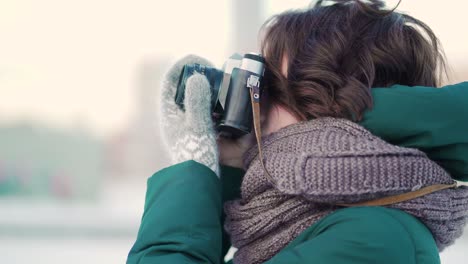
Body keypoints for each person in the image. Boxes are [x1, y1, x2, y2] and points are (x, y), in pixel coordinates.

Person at [127, 0, 468, 263]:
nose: (252, 105)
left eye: (266, 84)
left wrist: (195, 169)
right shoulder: (291, 223)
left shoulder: (375, 238)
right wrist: (226, 172)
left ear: (324, 106)